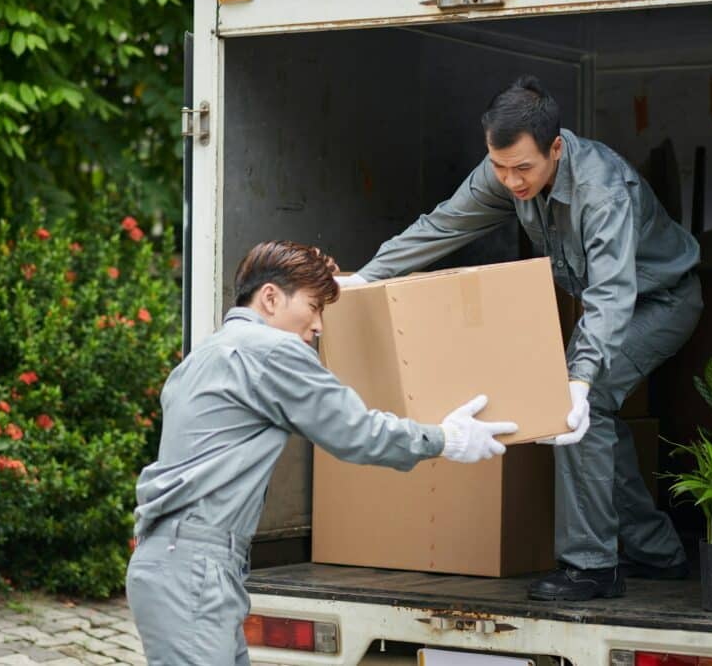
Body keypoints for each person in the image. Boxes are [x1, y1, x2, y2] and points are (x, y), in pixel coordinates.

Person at [338, 76, 702, 601]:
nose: (510, 181)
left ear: (556, 147)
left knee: (584, 404)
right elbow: (443, 225)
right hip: (607, 303)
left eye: (523, 168)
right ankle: (658, 551)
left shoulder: (602, 191)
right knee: (590, 419)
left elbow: (612, 295)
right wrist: (368, 276)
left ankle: (592, 568)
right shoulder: (506, 170)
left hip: (660, 301)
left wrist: (579, 377)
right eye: (499, 166)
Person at [127, 240, 518, 665]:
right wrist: (445, 439)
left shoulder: (207, 353)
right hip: (196, 567)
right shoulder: (272, 350)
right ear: (271, 297)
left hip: (172, 561)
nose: (319, 326)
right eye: (313, 307)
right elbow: (356, 431)